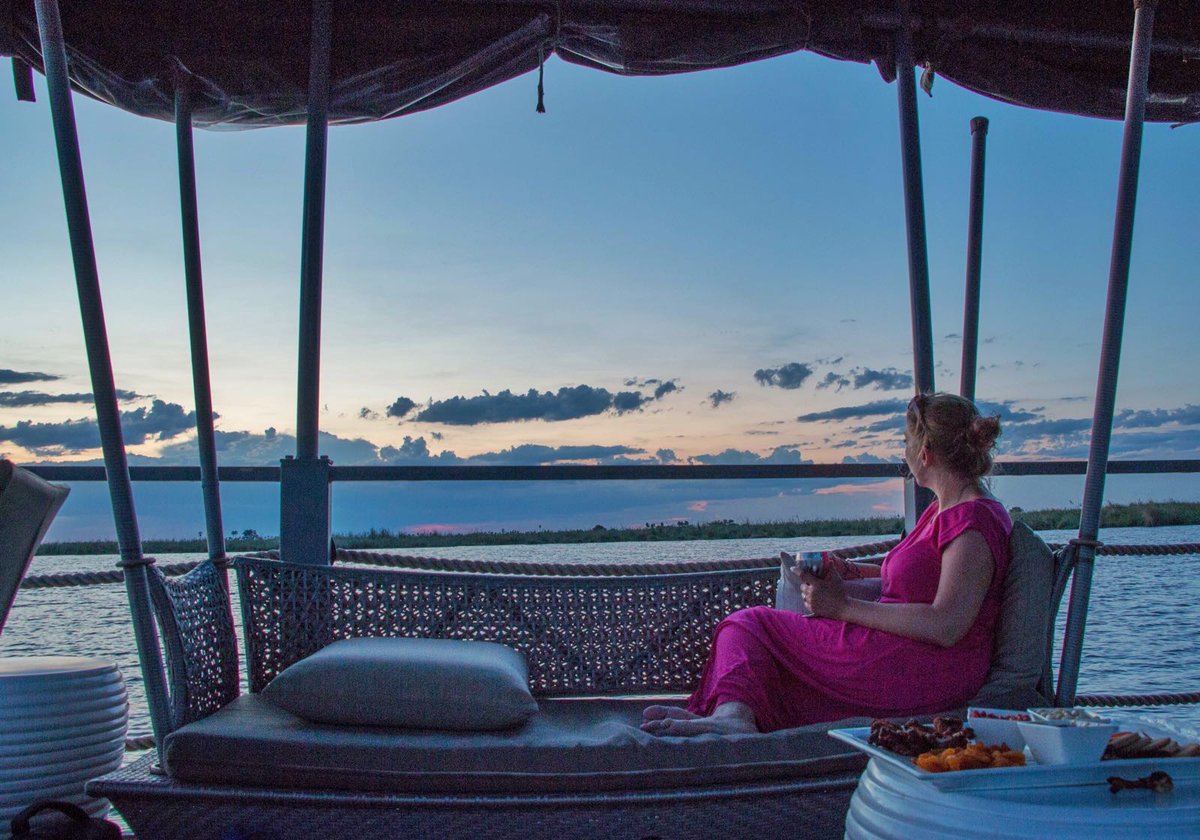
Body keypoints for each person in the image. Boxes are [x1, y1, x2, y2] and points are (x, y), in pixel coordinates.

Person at [641, 392, 1010, 736]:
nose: (904, 453)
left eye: (905, 443)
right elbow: (922, 577)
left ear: (925, 453)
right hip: (899, 652)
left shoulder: (973, 522)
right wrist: (851, 570)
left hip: (923, 668)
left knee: (748, 624)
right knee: (758, 634)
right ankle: (732, 713)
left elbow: (947, 624)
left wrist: (843, 607)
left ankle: (732, 717)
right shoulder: (944, 510)